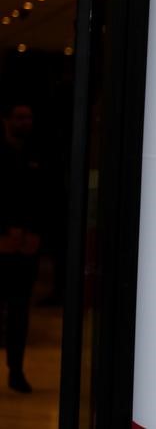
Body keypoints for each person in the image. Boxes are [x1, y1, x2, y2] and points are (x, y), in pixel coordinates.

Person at [0, 101, 43, 393]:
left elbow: (48, 196)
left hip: (27, 246)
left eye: (28, 117)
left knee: (19, 311)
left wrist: (35, 235)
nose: (24, 122)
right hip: (2, 243)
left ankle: (16, 370)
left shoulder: (39, 154)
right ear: (8, 120)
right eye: (19, 117)